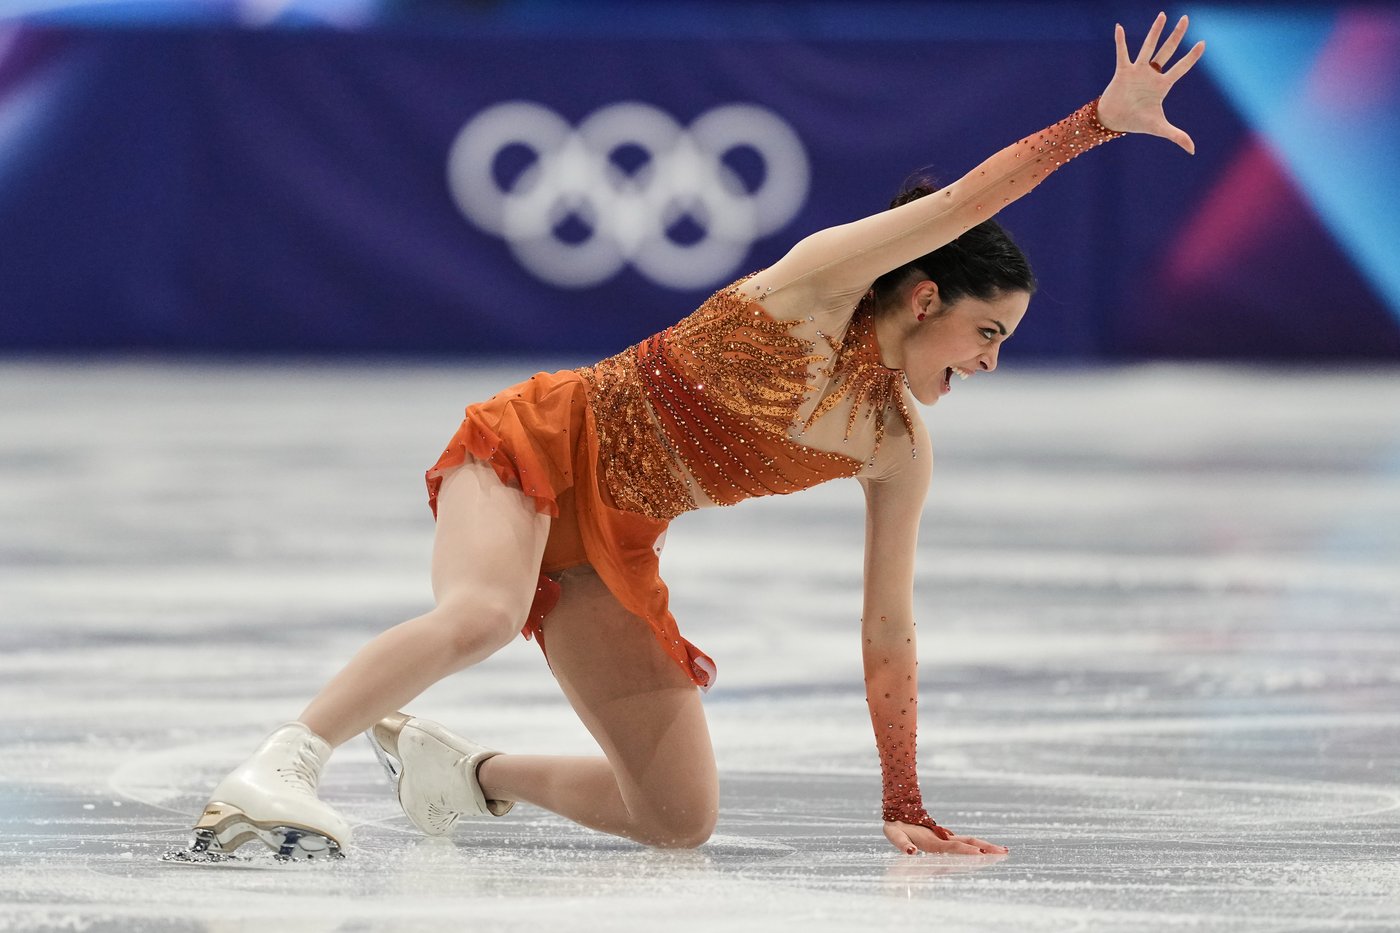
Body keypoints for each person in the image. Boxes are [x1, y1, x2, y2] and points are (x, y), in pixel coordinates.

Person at [182, 14, 1204, 861]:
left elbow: (888, 627)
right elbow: (967, 201)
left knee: (677, 817)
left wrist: (902, 796)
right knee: (483, 613)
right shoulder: (812, 290)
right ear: (927, 295)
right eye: (987, 333)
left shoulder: (894, 445)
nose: (989, 361)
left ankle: (466, 775)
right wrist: (1093, 126)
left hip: (610, 545)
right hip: (540, 444)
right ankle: (281, 765)